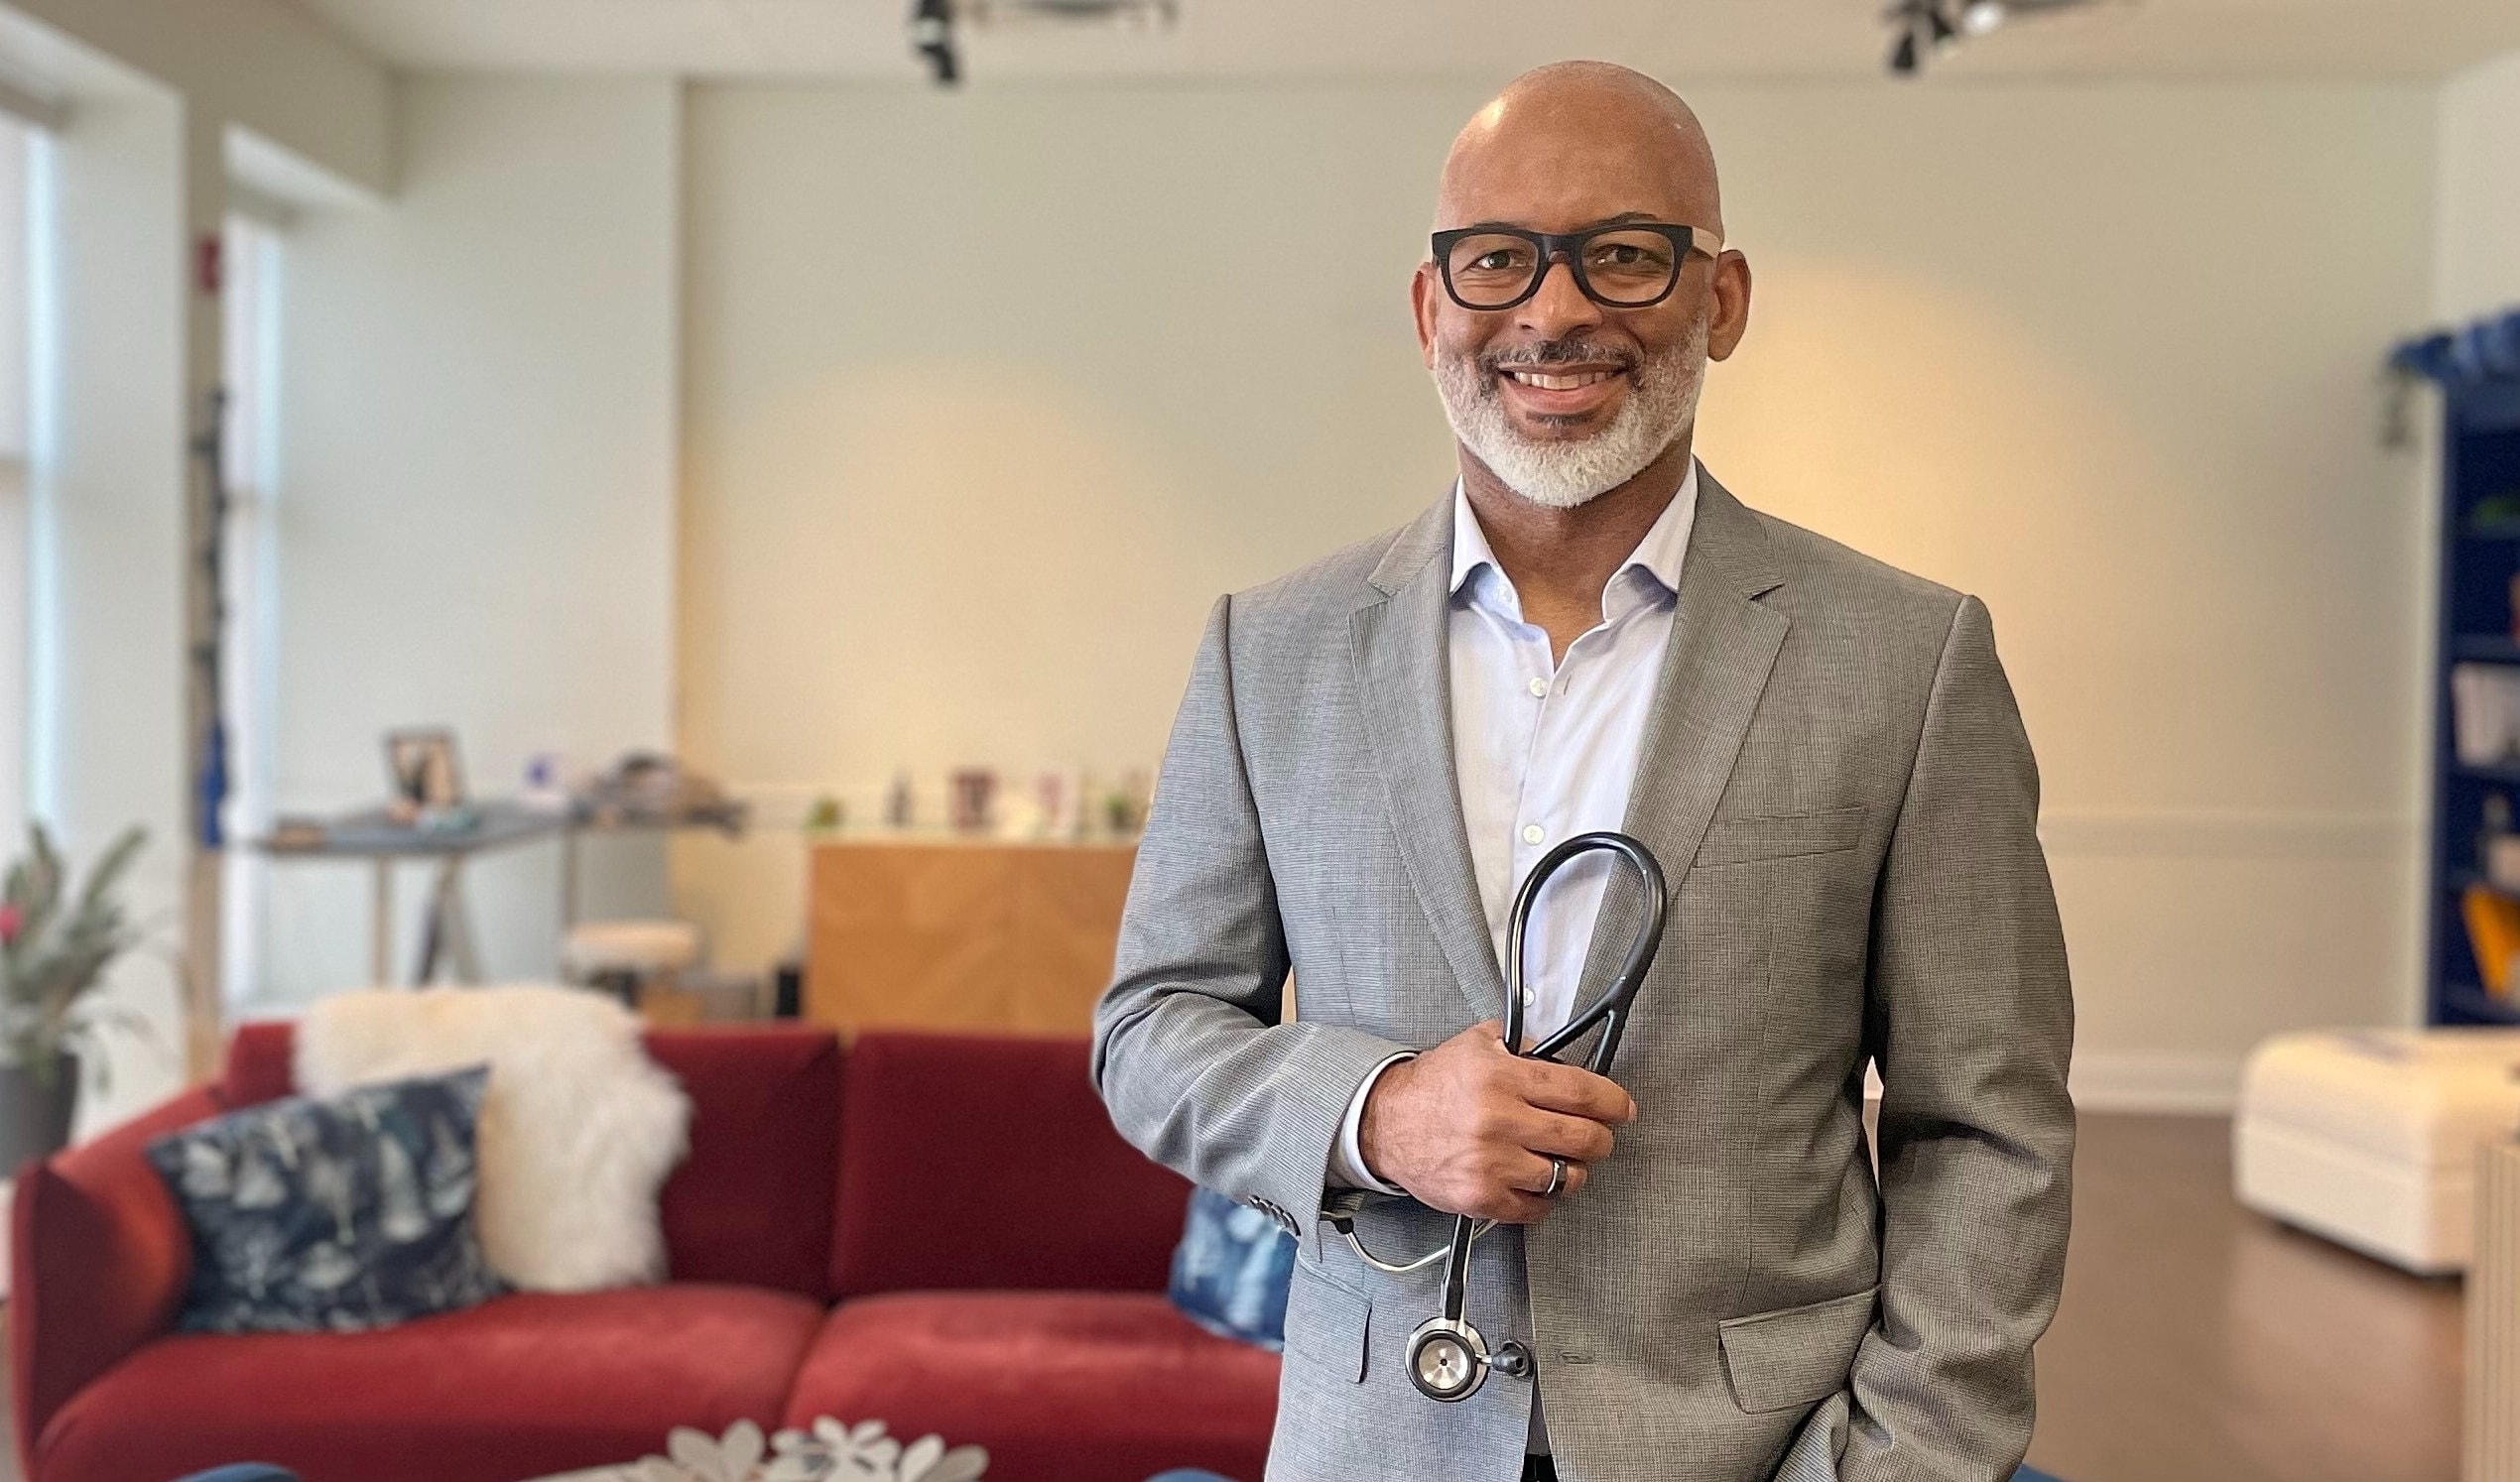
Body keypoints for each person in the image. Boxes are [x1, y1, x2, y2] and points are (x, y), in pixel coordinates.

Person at [1093, 60, 2074, 1482]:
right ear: (1431, 309)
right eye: (1497, 259)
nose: (1553, 311)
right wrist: (1376, 1113)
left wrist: (1901, 1461)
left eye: (1623, 254)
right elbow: (1150, 1030)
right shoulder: (1271, 650)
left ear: (1720, 299)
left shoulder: (1908, 659)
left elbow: (1988, 1131)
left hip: (1760, 1449)